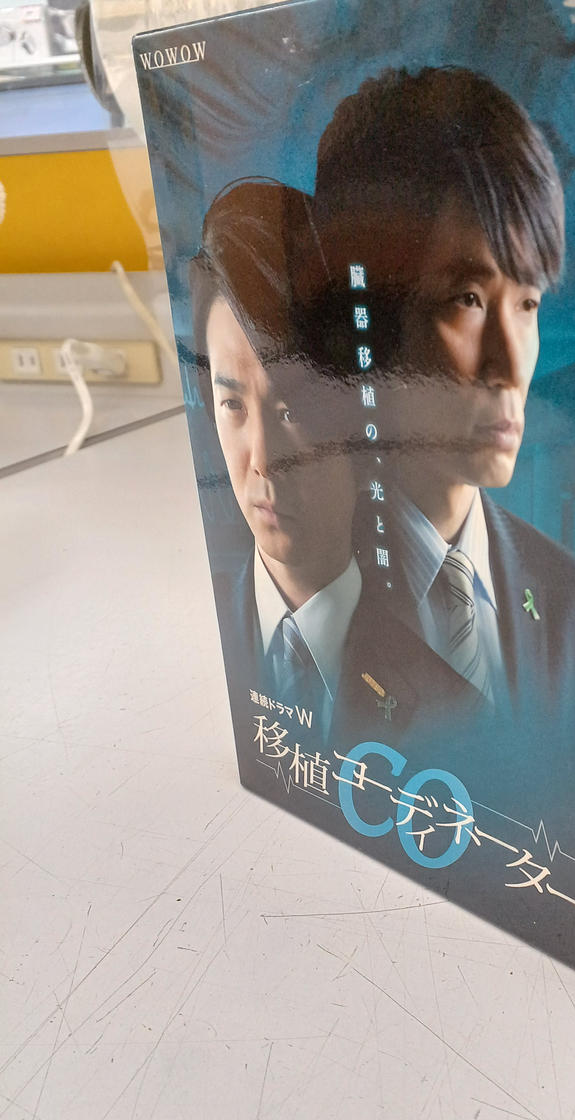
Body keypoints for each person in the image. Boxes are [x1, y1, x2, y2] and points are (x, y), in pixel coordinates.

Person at [313, 67, 575, 765]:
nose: (511, 365)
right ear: (371, 316)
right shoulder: (306, 592)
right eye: (469, 299)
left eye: (529, 303)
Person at [190, 178, 484, 760]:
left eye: (293, 410)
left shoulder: (453, 707)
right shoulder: (204, 633)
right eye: (232, 406)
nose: (264, 461)